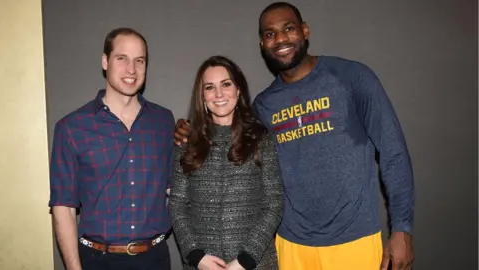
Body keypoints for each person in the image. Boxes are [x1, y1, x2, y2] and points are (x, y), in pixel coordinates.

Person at [174, 2, 415, 270]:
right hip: (291, 246)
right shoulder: (264, 106)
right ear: (262, 44)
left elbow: (393, 153)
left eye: (288, 28)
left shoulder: (352, 78)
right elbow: (228, 135)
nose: (280, 39)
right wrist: (189, 131)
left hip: (354, 239)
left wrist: (401, 228)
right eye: (269, 34)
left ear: (305, 30)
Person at [49, 27, 174, 270]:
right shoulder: (72, 127)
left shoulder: (163, 121)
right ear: (105, 61)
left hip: (155, 258)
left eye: (139, 60)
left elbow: (175, 190)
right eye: (122, 58)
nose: (131, 69)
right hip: (97, 260)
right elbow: (63, 207)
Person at [169, 55, 283, 270]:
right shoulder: (187, 143)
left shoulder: (261, 139)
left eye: (226, 84)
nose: (218, 94)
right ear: (202, 96)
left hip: (255, 264)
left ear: (238, 90)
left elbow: (274, 203)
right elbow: (177, 205)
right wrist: (196, 256)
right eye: (210, 87)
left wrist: (246, 259)